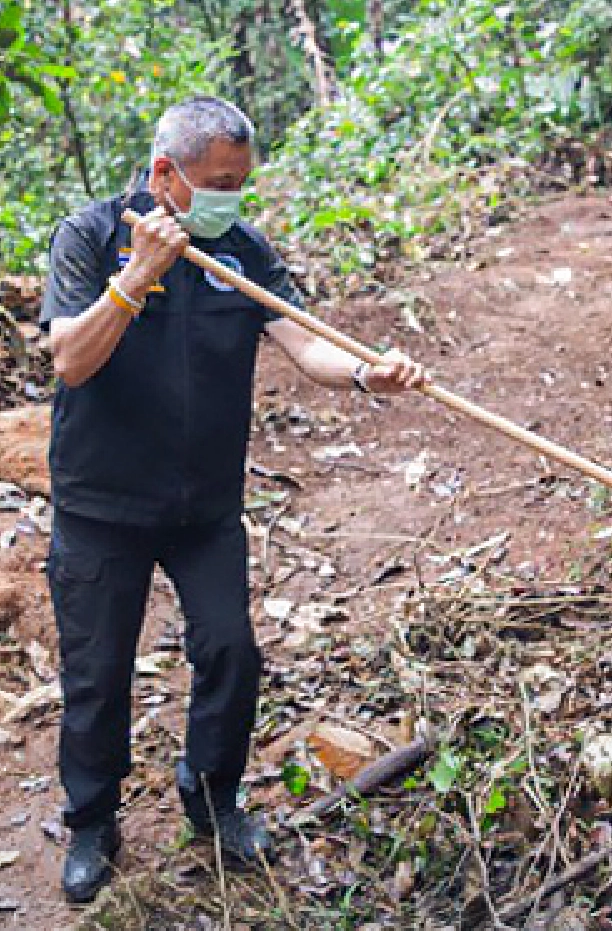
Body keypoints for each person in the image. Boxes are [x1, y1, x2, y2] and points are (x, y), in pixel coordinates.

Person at [37, 95, 429, 903]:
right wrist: (137, 276)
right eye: (217, 182)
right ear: (162, 175)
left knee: (232, 650)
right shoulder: (88, 237)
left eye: (240, 183)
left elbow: (301, 336)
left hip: (203, 504)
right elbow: (70, 359)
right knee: (97, 672)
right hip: (102, 503)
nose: (230, 197)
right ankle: (92, 818)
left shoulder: (241, 248)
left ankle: (212, 794)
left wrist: (366, 371)